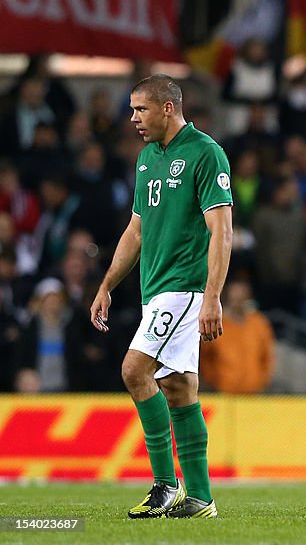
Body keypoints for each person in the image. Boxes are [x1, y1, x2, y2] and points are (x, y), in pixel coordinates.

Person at [90, 74, 233, 519]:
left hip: (185, 287)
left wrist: (213, 297)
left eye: (141, 109)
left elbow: (222, 230)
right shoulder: (148, 158)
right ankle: (201, 497)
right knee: (177, 386)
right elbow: (136, 230)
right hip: (155, 289)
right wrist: (106, 285)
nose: (133, 118)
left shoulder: (205, 153)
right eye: (132, 110)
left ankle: (165, 486)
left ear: (168, 108)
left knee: (134, 370)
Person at [199, 280, 275, 394]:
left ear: (248, 298)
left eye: (241, 298)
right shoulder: (216, 323)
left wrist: (262, 381)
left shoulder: (259, 323)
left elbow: (267, 356)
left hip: (255, 395)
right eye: (234, 299)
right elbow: (205, 358)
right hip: (223, 394)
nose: (237, 303)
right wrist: (213, 381)